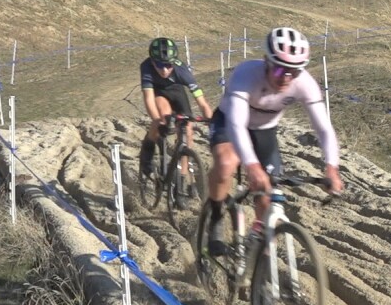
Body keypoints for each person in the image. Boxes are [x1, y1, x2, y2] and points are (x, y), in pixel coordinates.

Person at [205, 27, 343, 254]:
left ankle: (260, 254)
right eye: (280, 71)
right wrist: (251, 165)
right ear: (266, 62)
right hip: (229, 122)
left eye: (294, 72)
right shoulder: (246, 74)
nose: (286, 78)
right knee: (226, 164)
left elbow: (324, 129)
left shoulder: (305, 84)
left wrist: (331, 168)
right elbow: (237, 125)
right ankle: (216, 218)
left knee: (269, 196)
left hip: (264, 130)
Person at [139, 37, 214, 180]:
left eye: (168, 65)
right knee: (163, 116)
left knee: (188, 131)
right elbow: (148, 98)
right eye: (159, 65)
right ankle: (147, 154)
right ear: (152, 61)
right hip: (159, 92)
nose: (164, 70)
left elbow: (202, 102)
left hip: (177, 92)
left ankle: (182, 176)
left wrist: (211, 121)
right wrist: (158, 121)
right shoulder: (146, 67)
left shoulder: (182, 70)